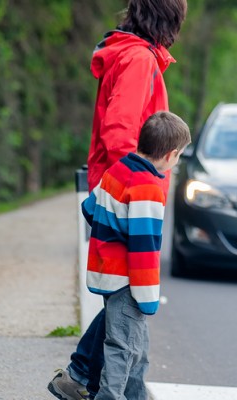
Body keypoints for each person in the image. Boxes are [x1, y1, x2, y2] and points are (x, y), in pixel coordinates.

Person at [48, 1, 186, 399]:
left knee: (121, 299)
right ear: (169, 19)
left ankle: (79, 377)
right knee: (127, 299)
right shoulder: (138, 60)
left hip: (119, 189)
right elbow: (120, 132)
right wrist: (141, 187)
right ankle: (90, 381)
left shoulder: (132, 55)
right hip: (129, 196)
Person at [81, 111, 190, 400]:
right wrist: (148, 297)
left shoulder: (117, 170)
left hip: (106, 272)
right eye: (178, 158)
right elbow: (144, 249)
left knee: (137, 349)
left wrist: (111, 232)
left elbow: (90, 208)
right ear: (171, 154)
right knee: (122, 348)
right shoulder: (148, 189)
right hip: (128, 282)